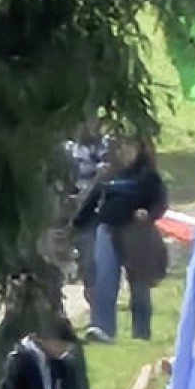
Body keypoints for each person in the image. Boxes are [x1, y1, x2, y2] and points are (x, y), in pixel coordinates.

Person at [69, 136, 167, 342]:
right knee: (104, 279)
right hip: (107, 231)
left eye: (129, 146)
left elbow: (160, 201)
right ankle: (103, 329)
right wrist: (75, 225)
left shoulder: (147, 176)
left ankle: (141, 333)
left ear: (139, 148)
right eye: (121, 146)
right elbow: (92, 201)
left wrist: (148, 213)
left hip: (136, 234)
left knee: (139, 284)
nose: (124, 151)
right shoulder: (107, 174)